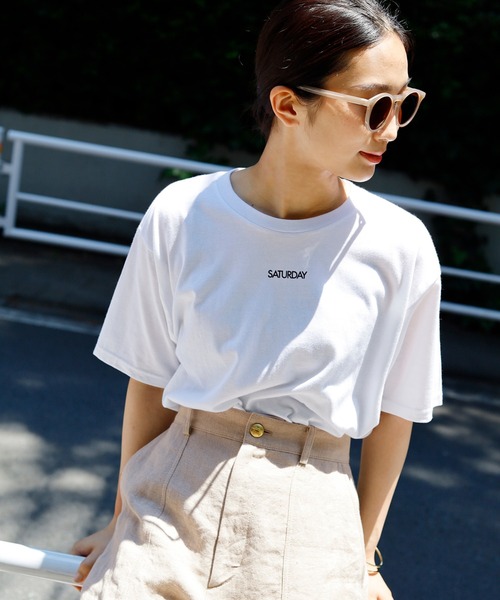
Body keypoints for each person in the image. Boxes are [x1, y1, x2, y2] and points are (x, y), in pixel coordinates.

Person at [71, 1, 442, 598]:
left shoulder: (401, 246)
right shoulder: (182, 213)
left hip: (316, 517)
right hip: (168, 500)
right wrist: (121, 520)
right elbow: (149, 380)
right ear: (288, 105)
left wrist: (363, 558)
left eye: (406, 103)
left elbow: (396, 412)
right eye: (375, 106)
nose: (392, 128)